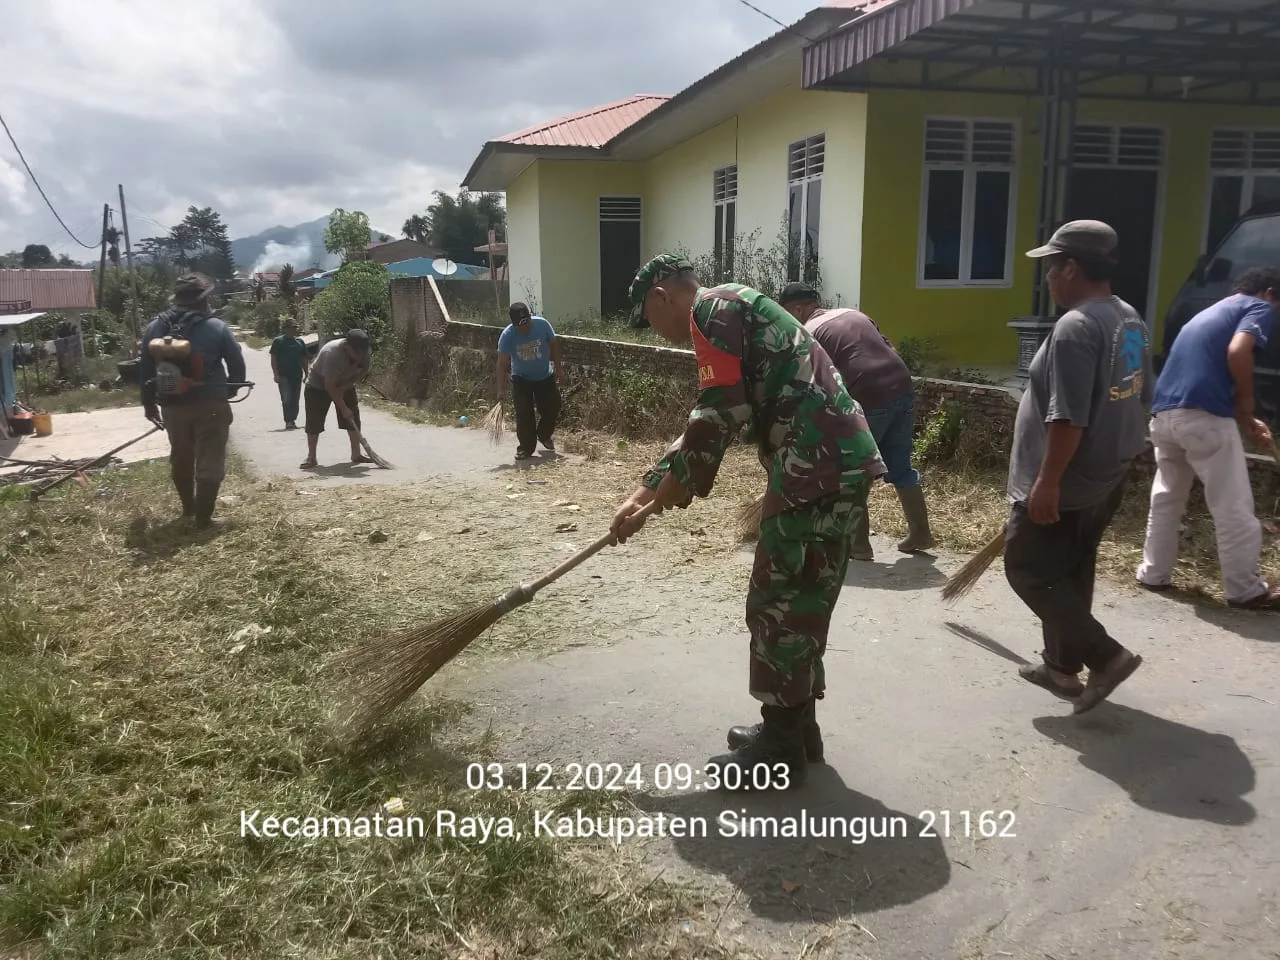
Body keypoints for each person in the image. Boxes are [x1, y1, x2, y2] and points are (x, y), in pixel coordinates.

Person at [610, 255, 885, 789]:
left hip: (814, 467)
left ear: (663, 295)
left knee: (776, 603)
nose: (658, 334)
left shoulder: (713, 311)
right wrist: (646, 488)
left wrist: (680, 483)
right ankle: (797, 730)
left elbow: (718, 412)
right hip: (834, 464)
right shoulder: (733, 306)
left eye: (649, 317)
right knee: (803, 600)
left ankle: (779, 749)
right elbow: (710, 413)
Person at [1007, 221, 1151, 715]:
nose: (1048, 278)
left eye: (1051, 267)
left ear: (1071, 266)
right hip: (1106, 473)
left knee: (1026, 569)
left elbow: (1067, 415)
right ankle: (1061, 668)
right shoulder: (1128, 318)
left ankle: (1105, 657)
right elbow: (1135, 394)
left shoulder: (1076, 326)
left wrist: (1047, 482)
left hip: (1067, 479)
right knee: (1069, 570)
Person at [1136, 267, 1280, 609]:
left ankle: (1153, 573)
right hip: (1204, 417)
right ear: (1270, 293)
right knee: (1233, 504)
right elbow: (1238, 352)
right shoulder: (1257, 307)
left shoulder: (1209, 312)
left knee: (1167, 498)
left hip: (1164, 416)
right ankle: (1245, 590)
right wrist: (1246, 404)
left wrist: (1245, 418)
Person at [777, 282, 934, 561]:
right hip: (901, 387)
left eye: (788, 313)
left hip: (868, 395)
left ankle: (859, 545)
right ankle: (921, 533)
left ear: (798, 309)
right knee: (900, 466)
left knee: (853, 471)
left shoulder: (809, 333)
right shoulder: (854, 314)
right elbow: (889, 348)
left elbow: (809, 383)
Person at [139, 273, 246, 529]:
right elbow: (237, 366)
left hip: (172, 406)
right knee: (210, 458)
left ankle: (188, 510)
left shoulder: (155, 328)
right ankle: (204, 518)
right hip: (210, 402)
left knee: (181, 456)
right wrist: (229, 390)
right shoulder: (216, 327)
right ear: (204, 299)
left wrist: (148, 404)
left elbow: (143, 369)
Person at [496, 302, 563, 459]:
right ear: (513, 324)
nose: (526, 327)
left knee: (553, 407)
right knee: (524, 413)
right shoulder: (508, 335)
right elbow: (501, 363)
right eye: (521, 325)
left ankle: (544, 434)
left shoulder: (542, 324)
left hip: (544, 376)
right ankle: (526, 448)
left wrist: (559, 368)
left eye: (527, 322)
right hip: (521, 379)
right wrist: (500, 389)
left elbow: (554, 344)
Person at [300, 329, 373, 469]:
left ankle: (356, 454)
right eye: (356, 352)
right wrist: (343, 408)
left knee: (353, 419)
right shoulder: (332, 354)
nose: (360, 356)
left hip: (344, 382)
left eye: (362, 352)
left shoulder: (364, 352)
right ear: (346, 346)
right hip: (318, 386)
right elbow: (329, 386)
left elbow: (364, 370)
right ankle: (311, 457)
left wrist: (347, 385)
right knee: (314, 421)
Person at [270, 318, 310, 430]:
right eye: (291, 328)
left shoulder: (299, 342)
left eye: (295, 328)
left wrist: (307, 373)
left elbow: (304, 359)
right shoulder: (278, 341)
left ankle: (292, 419)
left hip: (297, 375)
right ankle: (288, 420)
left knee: (295, 399)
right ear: (285, 329)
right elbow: (273, 359)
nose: (294, 330)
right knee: (286, 398)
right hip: (284, 375)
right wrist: (276, 374)